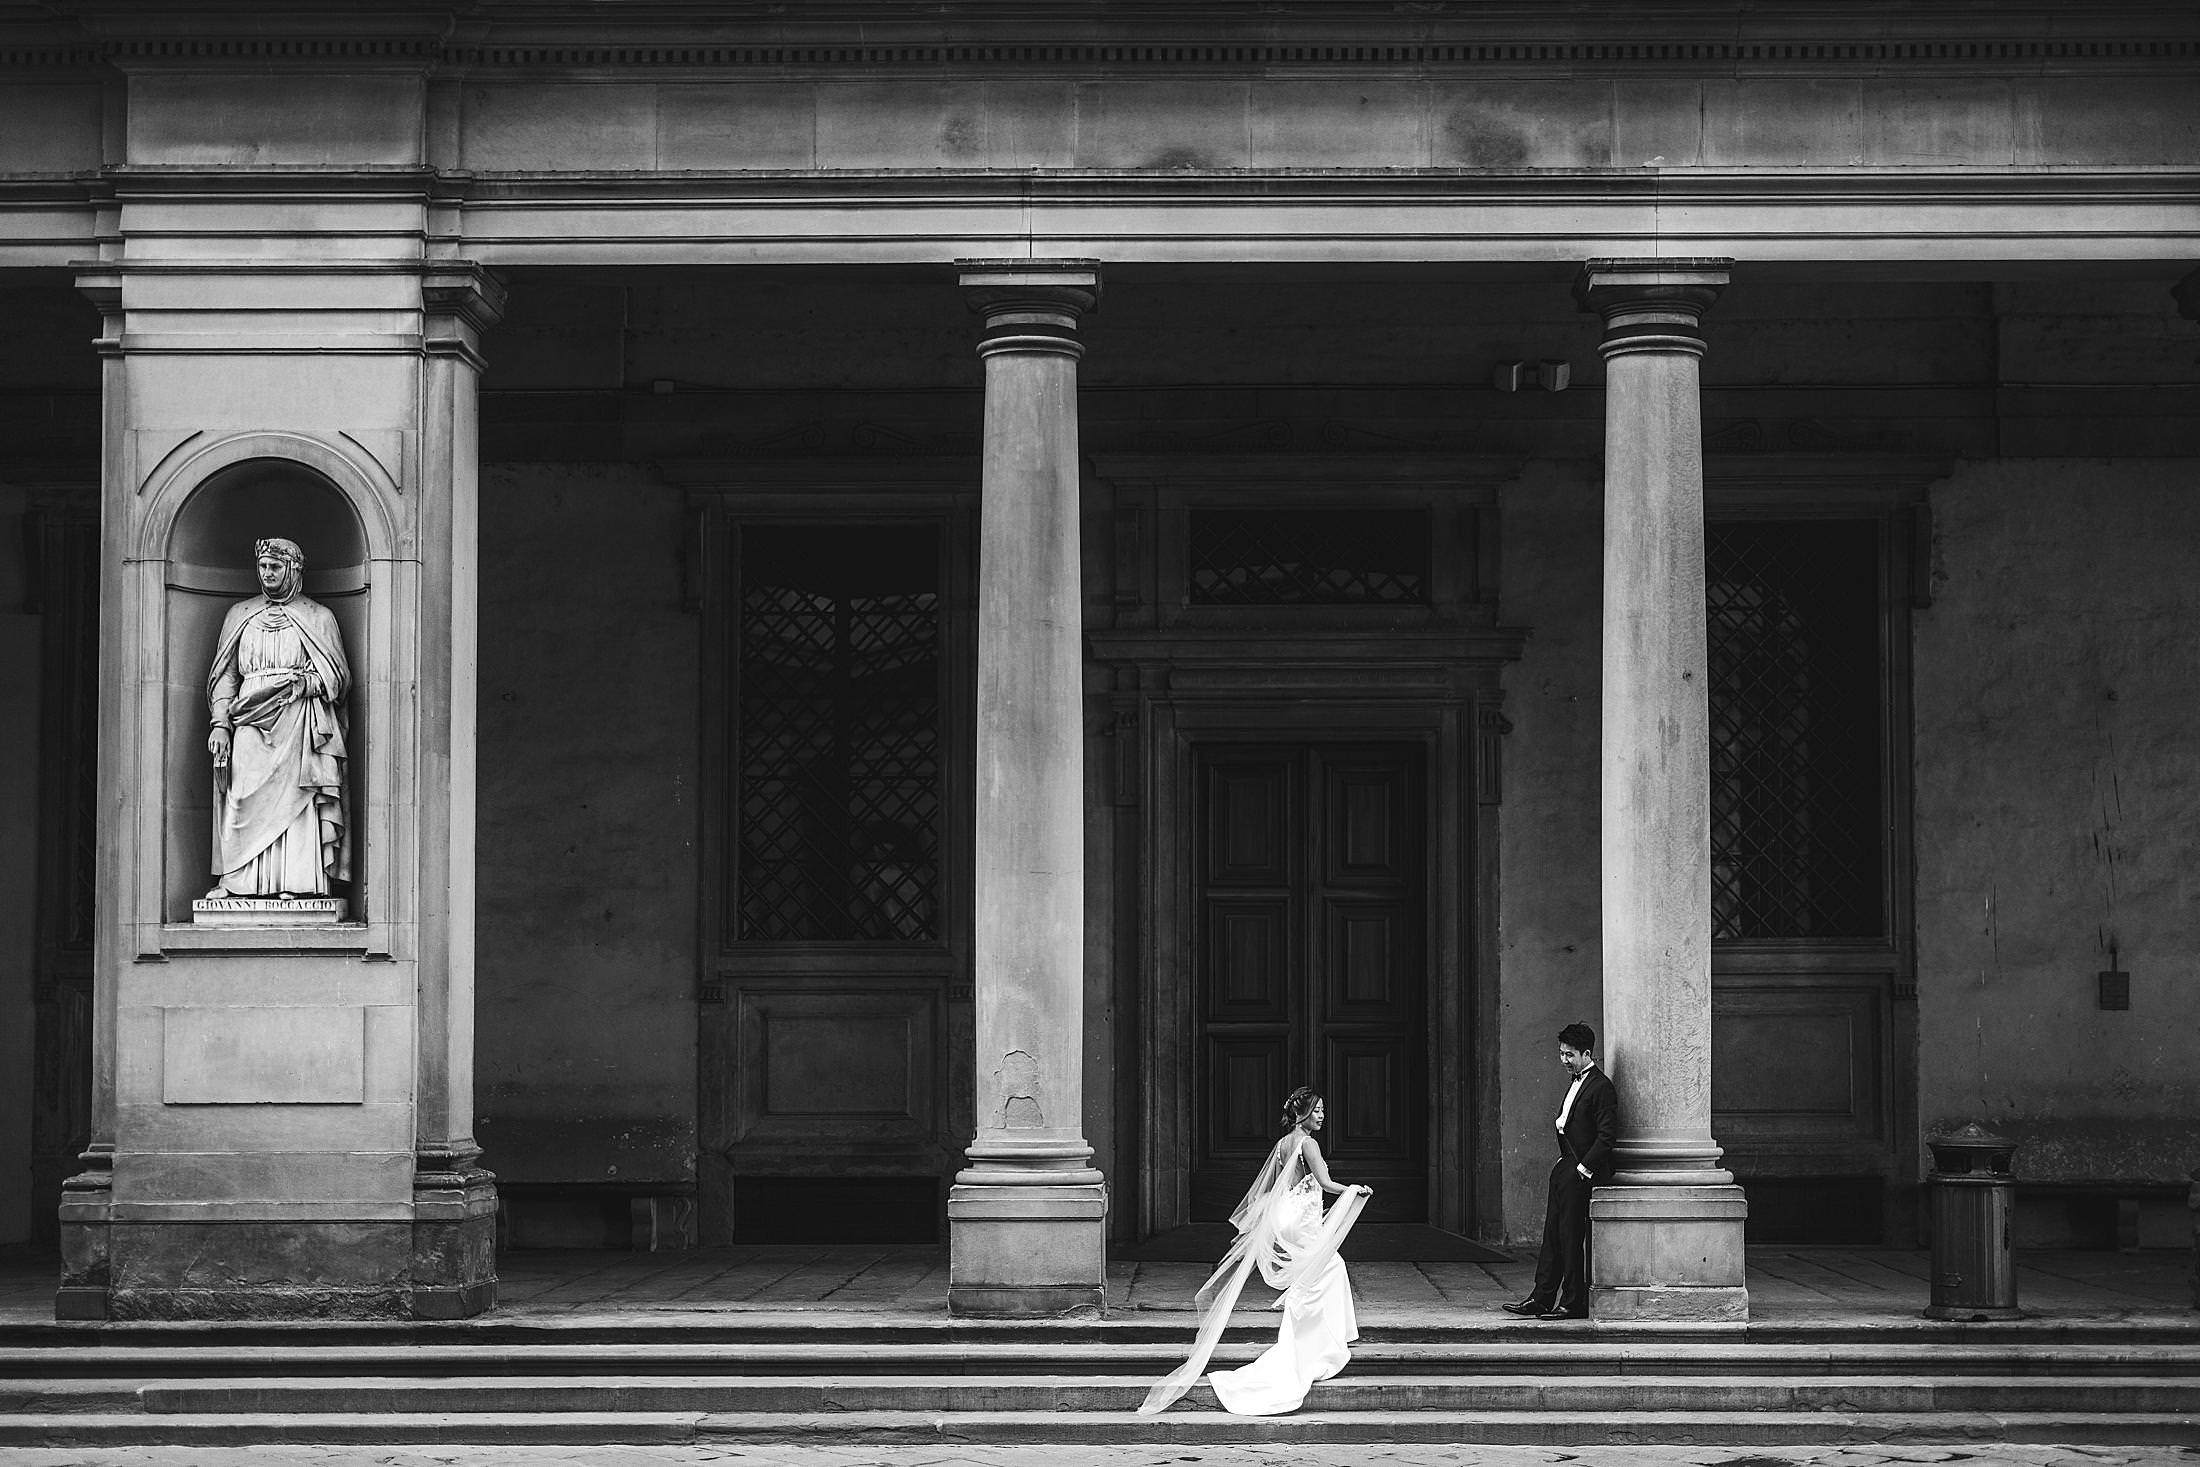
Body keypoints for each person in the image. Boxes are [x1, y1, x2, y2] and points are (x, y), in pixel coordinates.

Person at [1139, 1085, 1372, 1416]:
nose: (1323, 1116)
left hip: (1287, 1216)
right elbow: (1324, 1183)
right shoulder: (1309, 1143)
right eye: (1318, 1110)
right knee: (1328, 1268)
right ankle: (1314, 1343)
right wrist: (1355, 1191)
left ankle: (1317, 1337)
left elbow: (1280, 1186)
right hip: (1302, 1219)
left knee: (1321, 1271)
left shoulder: (1281, 1144)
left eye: (1323, 1110)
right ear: (1303, 1114)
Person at [203, 537, 352, 899]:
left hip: (297, 718)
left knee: (296, 800)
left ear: (294, 569)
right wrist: (221, 723)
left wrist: (304, 683)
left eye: (275, 567)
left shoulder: (319, 617)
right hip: (248, 718)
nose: (267, 574)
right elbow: (225, 676)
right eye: (263, 567)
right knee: (241, 796)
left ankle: (295, 882)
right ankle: (238, 882)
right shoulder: (240, 615)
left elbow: (338, 679)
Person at [1502, 1021, 1617, 1321]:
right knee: (1552, 1235)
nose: (1564, 1060)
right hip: (1566, 1167)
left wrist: (1582, 1169)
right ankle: (1541, 1298)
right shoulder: (1577, 1081)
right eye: (1562, 1054)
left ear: (1586, 1053)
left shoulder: (1601, 1087)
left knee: (1569, 1236)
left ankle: (1573, 1302)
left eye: (1569, 1055)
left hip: (1581, 1172)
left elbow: (1607, 1137)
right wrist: (1565, 1164)